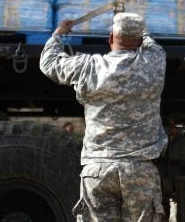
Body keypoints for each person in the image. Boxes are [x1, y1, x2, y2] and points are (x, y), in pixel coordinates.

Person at [39, 12, 168, 221]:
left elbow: (49, 64)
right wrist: (139, 31)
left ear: (110, 39)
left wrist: (58, 34)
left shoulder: (87, 66)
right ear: (139, 41)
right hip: (139, 170)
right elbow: (151, 44)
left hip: (97, 169)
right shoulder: (154, 62)